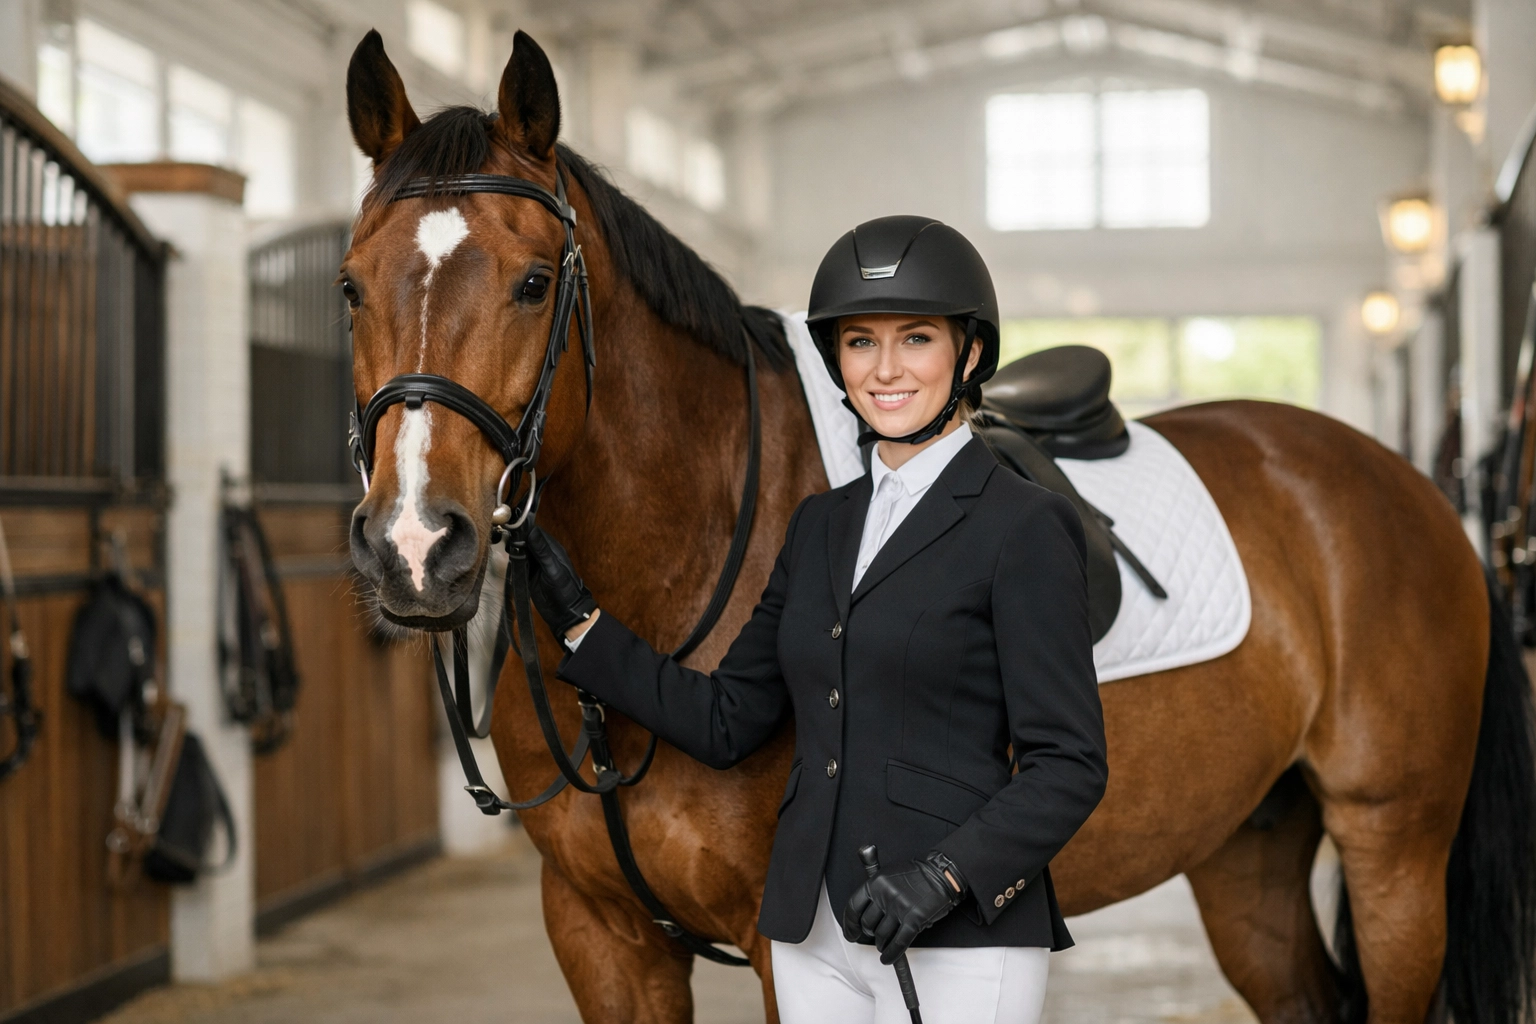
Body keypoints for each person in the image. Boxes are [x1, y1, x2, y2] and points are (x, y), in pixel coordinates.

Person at [522, 215, 1107, 1024]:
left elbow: (1068, 764)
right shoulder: (821, 525)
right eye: (862, 342)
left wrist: (943, 876)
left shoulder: (1025, 525)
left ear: (968, 354)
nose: (887, 369)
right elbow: (729, 720)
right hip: (811, 935)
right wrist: (585, 626)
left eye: (917, 339)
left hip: (957, 935)